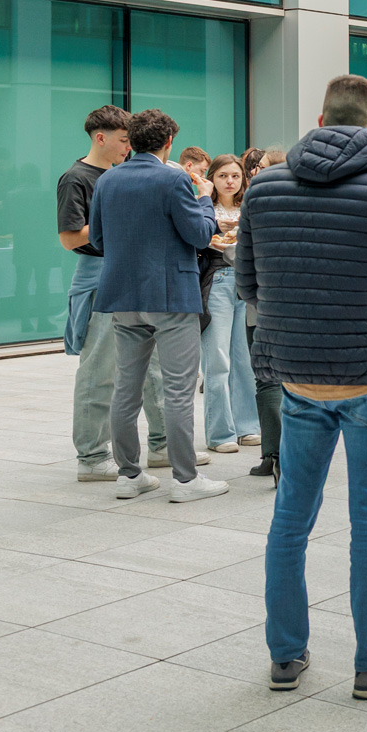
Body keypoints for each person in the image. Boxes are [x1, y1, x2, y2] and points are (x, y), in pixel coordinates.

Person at [237, 74, 367, 699]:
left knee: (290, 519)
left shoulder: (265, 187)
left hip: (297, 376)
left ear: (322, 118)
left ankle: (285, 655)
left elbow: (248, 283)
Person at [87, 108, 226, 503]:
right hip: (171, 297)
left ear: (131, 140)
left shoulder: (108, 180)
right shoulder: (175, 179)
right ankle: (185, 480)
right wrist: (204, 200)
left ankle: (129, 475)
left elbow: (97, 239)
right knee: (179, 391)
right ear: (168, 143)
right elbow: (200, 235)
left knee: (125, 390)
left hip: (123, 297)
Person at [58, 106, 181, 482]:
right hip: (100, 276)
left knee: (154, 368)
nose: (129, 148)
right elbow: (68, 238)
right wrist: (119, 221)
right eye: (124, 141)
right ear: (101, 138)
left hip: (135, 274)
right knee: (100, 370)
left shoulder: (117, 175)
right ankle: (93, 456)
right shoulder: (76, 178)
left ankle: (162, 445)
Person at [199, 153, 261, 453]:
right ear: (212, 177)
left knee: (244, 359)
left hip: (245, 283)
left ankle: (247, 426)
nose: (229, 181)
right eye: (223, 175)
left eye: (235, 176)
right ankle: (220, 433)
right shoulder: (203, 207)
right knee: (217, 360)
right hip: (217, 281)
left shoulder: (247, 207)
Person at [246, 147, 287, 482]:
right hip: (284, 307)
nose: (256, 173)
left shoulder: (255, 204)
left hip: (264, 306)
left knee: (269, 381)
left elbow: (243, 260)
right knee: (274, 382)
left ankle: (276, 454)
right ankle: (276, 454)